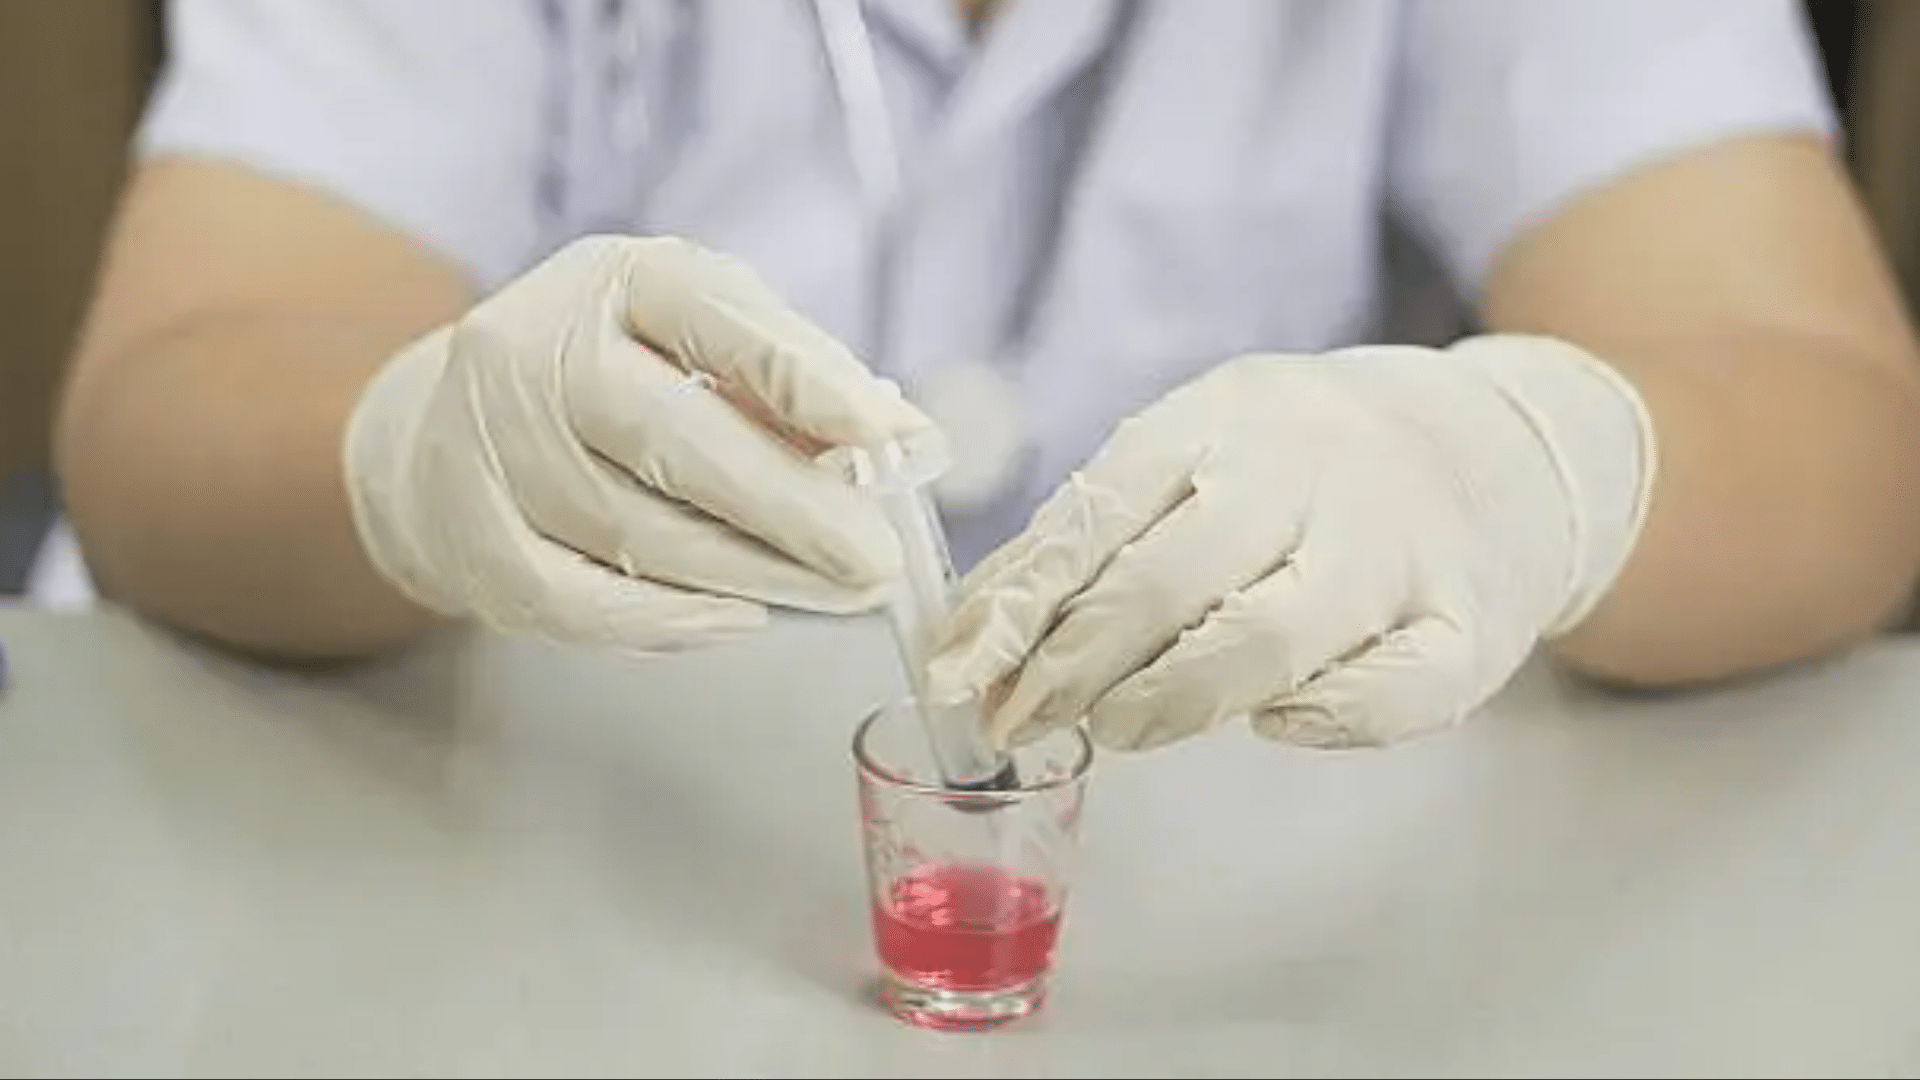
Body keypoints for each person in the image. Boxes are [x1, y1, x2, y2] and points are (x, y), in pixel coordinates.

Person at [48, 0, 1920, 754]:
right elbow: (164, 422)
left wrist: (1533, 466)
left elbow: (1833, 425)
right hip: (517, 852)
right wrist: (407, 455)